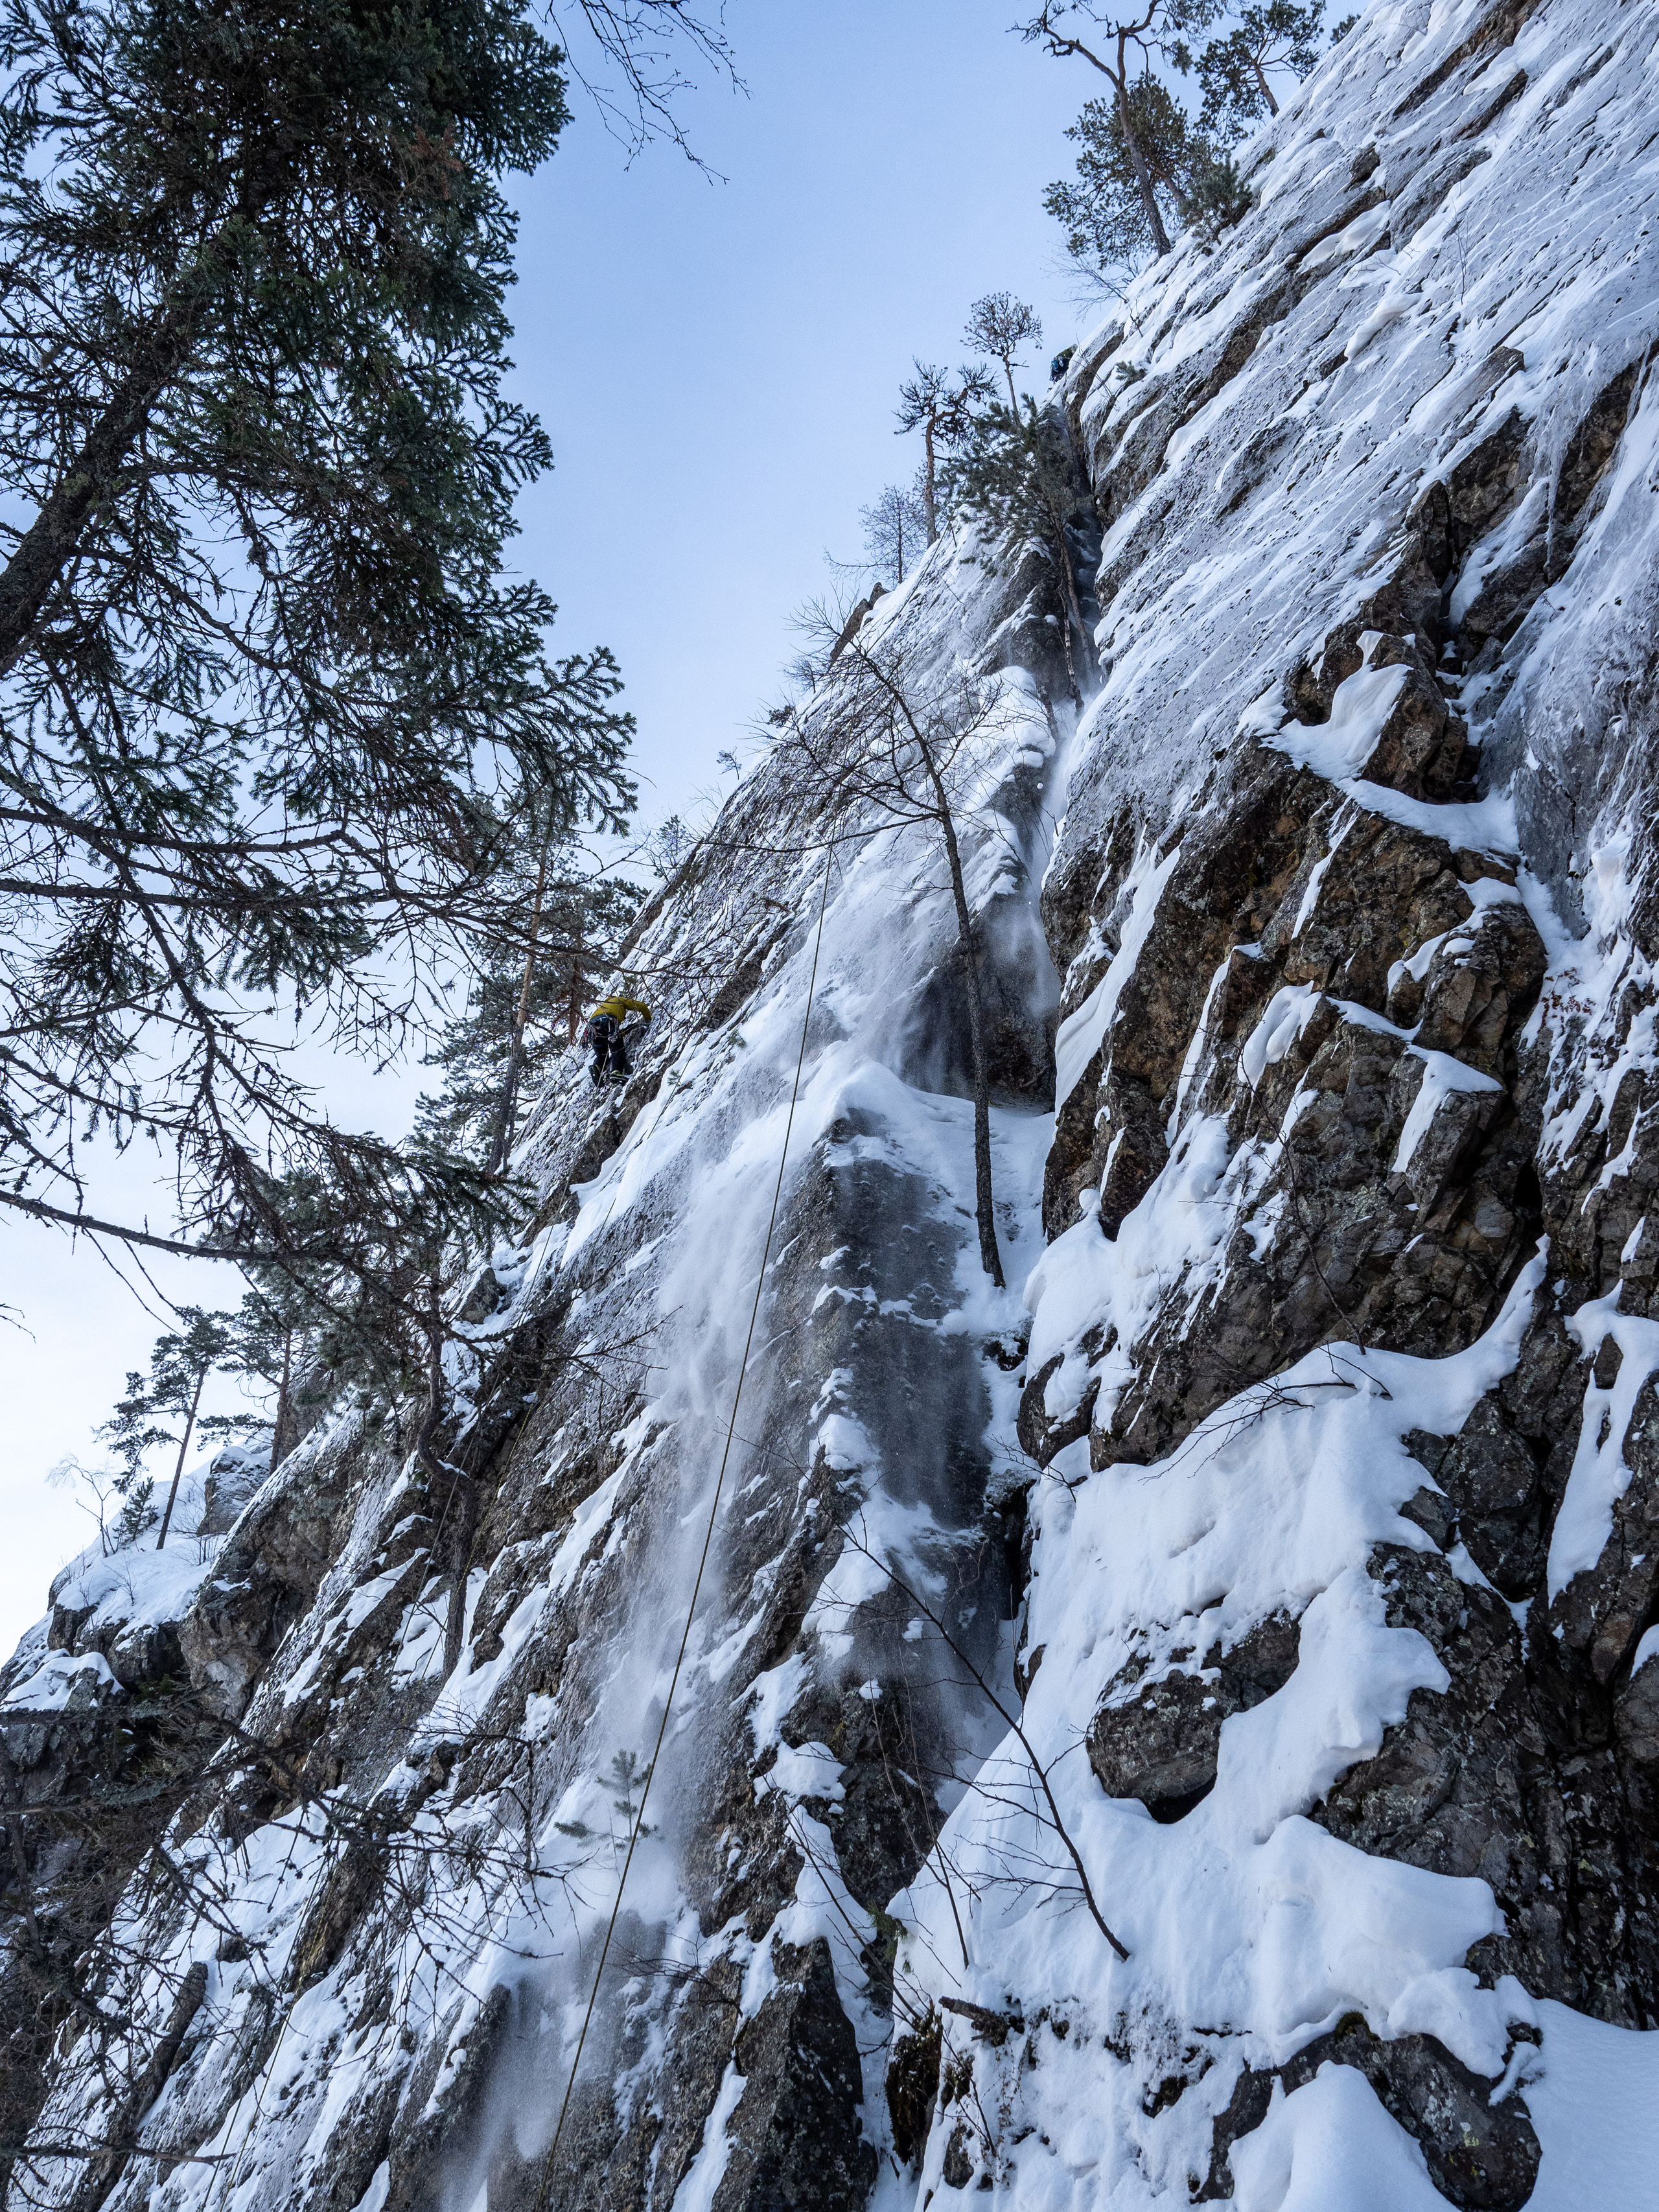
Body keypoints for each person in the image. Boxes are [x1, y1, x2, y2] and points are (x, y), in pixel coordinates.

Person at [584, 986, 651, 1087]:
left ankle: (597, 1067)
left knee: (602, 1056)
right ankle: (616, 1072)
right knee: (617, 1050)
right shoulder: (618, 1000)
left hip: (592, 1030)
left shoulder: (601, 1007)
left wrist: (632, 1027)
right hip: (608, 1022)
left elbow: (615, 1035)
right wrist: (648, 1020)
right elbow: (641, 1006)